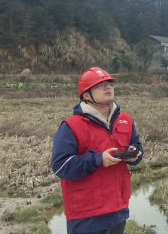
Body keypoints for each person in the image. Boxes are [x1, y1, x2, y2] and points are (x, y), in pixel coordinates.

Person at [52, 67, 143, 234]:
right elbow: (60, 166)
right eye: (100, 85)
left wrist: (135, 154)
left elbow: (137, 147)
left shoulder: (126, 120)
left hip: (118, 210)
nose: (107, 87)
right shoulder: (71, 126)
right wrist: (97, 159)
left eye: (109, 84)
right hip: (87, 215)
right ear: (86, 95)